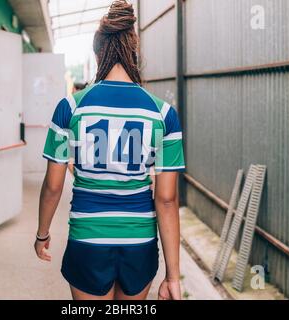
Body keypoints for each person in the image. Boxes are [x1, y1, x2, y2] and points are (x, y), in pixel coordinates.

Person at [35, 0, 185, 300]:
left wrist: (42, 233)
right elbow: (166, 199)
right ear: (134, 51)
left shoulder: (70, 108)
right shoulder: (163, 114)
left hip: (87, 242)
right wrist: (173, 276)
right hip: (139, 244)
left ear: (98, 52)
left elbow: (53, 186)